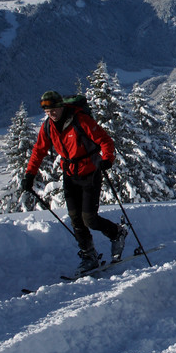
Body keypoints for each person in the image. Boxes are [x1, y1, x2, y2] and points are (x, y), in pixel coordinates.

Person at [23, 90, 125, 273]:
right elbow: (38, 151)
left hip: (90, 172)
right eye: (47, 111)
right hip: (70, 174)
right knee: (75, 219)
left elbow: (105, 141)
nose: (51, 113)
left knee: (89, 218)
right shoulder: (48, 127)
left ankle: (116, 233)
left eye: (53, 109)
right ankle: (89, 255)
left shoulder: (80, 120)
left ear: (61, 106)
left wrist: (107, 159)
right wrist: (29, 175)